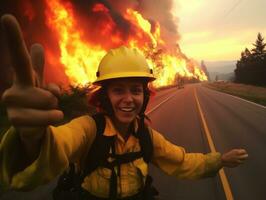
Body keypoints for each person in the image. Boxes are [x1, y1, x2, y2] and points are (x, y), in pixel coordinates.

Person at [0, 14, 248, 200]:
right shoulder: (87, 130)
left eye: (136, 90)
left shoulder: (146, 136)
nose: (128, 98)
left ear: (145, 96)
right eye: (118, 90)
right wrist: (31, 141)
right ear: (105, 96)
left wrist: (220, 160)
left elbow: (182, 162)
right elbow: (58, 147)